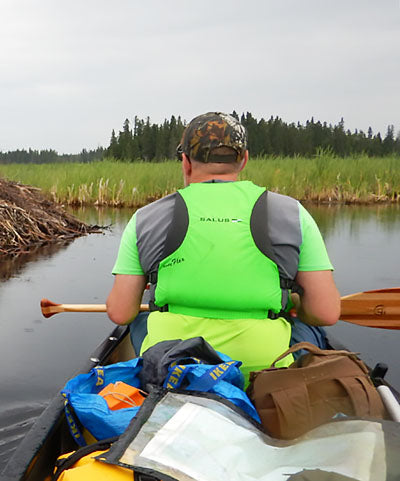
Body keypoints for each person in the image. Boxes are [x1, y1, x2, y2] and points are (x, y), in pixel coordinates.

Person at [105, 112, 341, 377]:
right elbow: (326, 312)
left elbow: (120, 311)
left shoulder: (145, 217)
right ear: (244, 160)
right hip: (264, 370)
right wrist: (293, 302)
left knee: (138, 318)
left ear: (185, 162)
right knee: (311, 328)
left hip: (174, 366)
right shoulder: (293, 213)